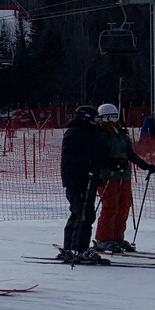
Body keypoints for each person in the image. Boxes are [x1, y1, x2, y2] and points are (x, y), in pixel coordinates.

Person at [93, 104, 155, 253]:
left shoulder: (121, 133)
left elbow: (129, 153)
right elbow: (97, 155)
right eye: (108, 118)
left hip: (123, 175)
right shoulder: (99, 134)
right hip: (108, 176)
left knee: (124, 206)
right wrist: (111, 163)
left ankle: (117, 237)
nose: (112, 121)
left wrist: (144, 165)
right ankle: (103, 239)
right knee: (110, 207)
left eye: (114, 117)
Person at [58, 105, 104, 263]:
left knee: (84, 213)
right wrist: (87, 165)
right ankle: (77, 248)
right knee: (82, 213)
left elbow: (96, 153)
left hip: (89, 179)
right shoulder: (74, 133)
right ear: (86, 118)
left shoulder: (91, 132)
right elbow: (71, 156)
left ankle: (75, 247)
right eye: (94, 118)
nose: (97, 121)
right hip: (76, 180)